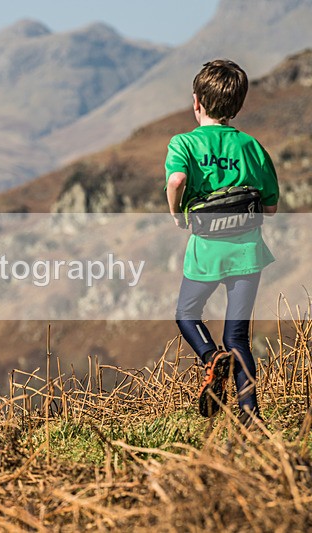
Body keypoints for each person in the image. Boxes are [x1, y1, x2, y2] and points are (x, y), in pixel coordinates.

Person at [165, 59, 279, 426]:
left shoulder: (183, 142)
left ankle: (210, 357)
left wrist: (177, 212)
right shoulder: (251, 147)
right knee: (238, 334)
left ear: (196, 102)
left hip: (206, 251)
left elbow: (177, 181)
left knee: (187, 313)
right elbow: (271, 207)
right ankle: (250, 418)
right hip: (247, 252)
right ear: (238, 105)